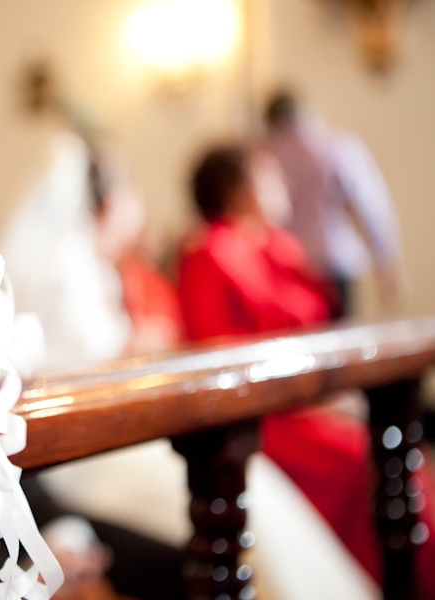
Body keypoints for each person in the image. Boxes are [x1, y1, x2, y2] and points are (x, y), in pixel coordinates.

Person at [177, 141, 435, 597]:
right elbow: (218, 354)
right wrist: (318, 398)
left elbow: (317, 321)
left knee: (397, 452)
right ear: (239, 188)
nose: (283, 185)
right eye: (269, 176)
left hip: (305, 398)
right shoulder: (209, 252)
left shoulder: (277, 245)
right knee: (367, 460)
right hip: (265, 416)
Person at [263, 89, 402, 316]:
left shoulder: (263, 154)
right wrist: (386, 266)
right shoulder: (337, 147)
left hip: (283, 268)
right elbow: (369, 208)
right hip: (332, 261)